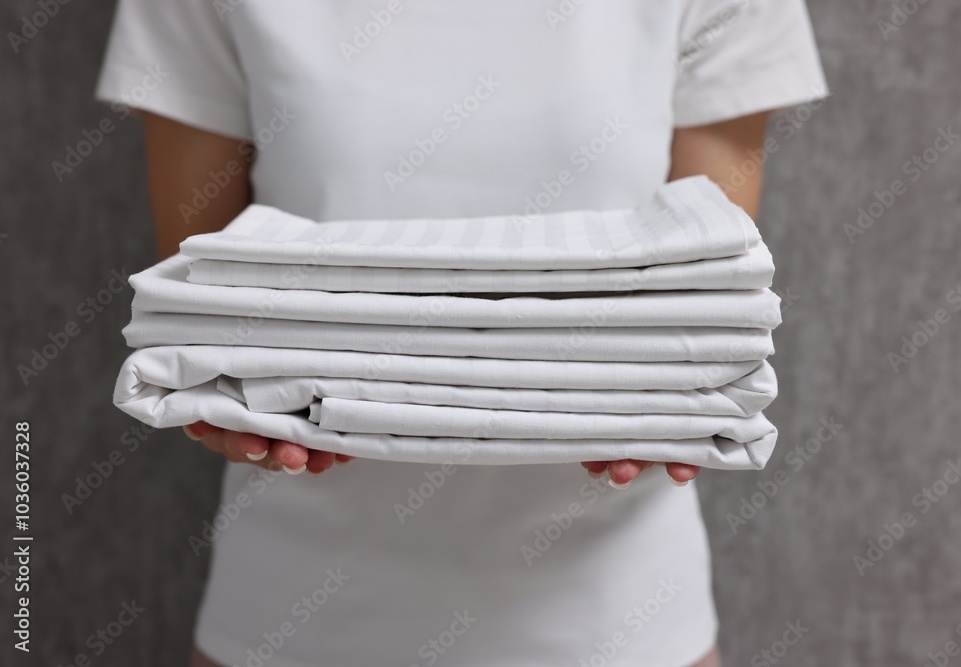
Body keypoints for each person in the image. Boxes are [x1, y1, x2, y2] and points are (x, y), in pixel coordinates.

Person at [96, 1, 827, 665]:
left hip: (623, 623)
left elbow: (714, 289)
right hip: (290, 618)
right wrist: (212, 399)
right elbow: (199, 308)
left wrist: (679, 403)